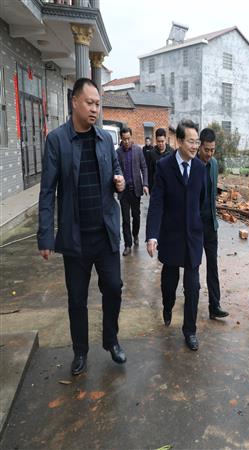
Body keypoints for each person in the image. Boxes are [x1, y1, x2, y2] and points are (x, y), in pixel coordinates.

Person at [37, 78, 127, 376]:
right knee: (77, 298)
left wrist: (119, 181)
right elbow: (47, 191)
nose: (94, 109)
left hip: (104, 233)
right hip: (75, 237)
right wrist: (45, 236)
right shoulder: (57, 141)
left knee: (113, 287)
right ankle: (80, 351)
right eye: (89, 103)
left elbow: (116, 170)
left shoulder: (104, 140)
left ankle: (111, 340)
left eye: (98, 104)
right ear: (74, 102)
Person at [146, 119, 206, 351]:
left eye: (197, 142)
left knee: (193, 287)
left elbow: (202, 201)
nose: (195, 146)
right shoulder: (164, 166)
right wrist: (153, 235)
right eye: (191, 141)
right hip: (170, 235)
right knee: (169, 284)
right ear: (179, 141)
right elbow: (157, 203)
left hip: (193, 237)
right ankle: (167, 306)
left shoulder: (200, 168)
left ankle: (190, 330)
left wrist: (201, 229)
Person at [197, 128, 229, 320]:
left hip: (211, 224)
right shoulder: (192, 164)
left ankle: (214, 305)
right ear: (199, 146)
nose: (209, 154)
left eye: (212, 150)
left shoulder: (214, 164)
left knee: (213, 266)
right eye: (206, 150)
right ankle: (191, 298)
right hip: (194, 226)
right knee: (193, 266)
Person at [116, 127, 149, 256]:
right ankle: (127, 245)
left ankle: (135, 234)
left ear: (131, 137)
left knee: (136, 216)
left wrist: (145, 184)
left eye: (128, 138)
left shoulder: (138, 151)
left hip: (135, 189)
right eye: (124, 139)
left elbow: (144, 167)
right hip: (123, 191)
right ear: (121, 138)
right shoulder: (118, 153)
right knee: (125, 219)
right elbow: (115, 169)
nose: (126, 141)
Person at [145, 127, 170, 192]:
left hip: (169, 187)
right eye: (158, 141)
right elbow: (150, 172)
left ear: (165, 140)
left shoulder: (171, 152)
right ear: (156, 140)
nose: (160, 143)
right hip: (156, 187)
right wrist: (150, 188)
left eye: (162, 141)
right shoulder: (151, 153)